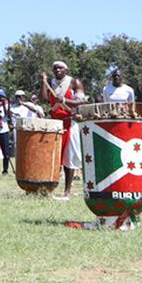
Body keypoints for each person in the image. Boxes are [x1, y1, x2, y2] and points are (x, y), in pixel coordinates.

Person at [43, 61, 88, 199]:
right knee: (52, 156)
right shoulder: (49, 82)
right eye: (55, 68)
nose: (57, 70)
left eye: (60, 68)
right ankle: (49, 188)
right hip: (54, 124)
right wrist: (43, 82)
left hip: (70, 122)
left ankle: (67, 190)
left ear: (66, 70)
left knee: (69, 158)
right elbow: (44, 99)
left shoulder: (74, 82)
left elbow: (82, 101)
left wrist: (65, 101)